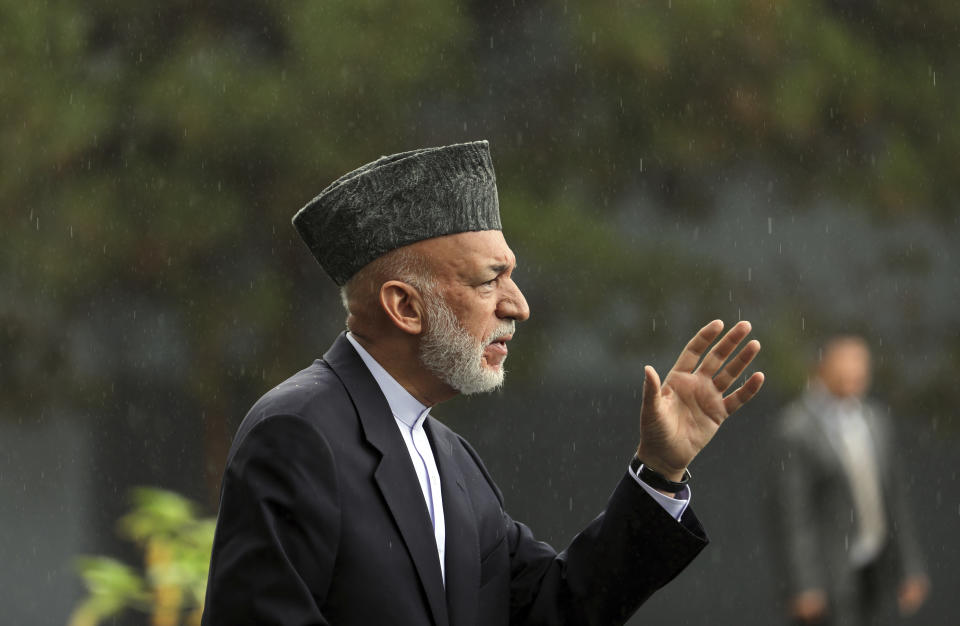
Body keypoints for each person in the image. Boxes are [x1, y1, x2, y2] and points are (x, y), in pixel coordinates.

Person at [201, 140, 764, 625]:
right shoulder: (297, 435)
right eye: (490, 280)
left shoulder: (451, 458)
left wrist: (660, 472)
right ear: (404, 306)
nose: (518, 305)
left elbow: (554, 608)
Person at [772, 335, 929, 626]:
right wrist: (804, 584)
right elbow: (792, 515)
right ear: (822, 368)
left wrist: (909, 567)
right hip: (828, 572)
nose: (854, 372)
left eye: (860, 364)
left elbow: (893, 499)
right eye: (844, 363)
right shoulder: (796, 430)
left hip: (873, 566)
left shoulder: (874, 419)